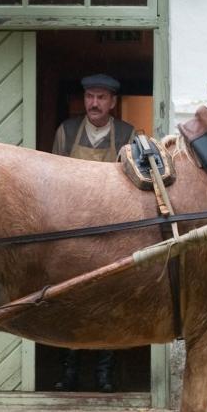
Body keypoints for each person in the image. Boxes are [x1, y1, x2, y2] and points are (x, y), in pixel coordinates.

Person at [50, 74, 135, 393]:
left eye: (101, 97)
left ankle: (105, 374)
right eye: (89, 96)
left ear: (112, 102)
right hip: (70, 229)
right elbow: (52, 179)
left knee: (109, 301)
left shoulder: (127, 133)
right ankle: (69, 373)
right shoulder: (66, 132)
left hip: (110, 231)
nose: (94, 103)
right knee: (68, 300)